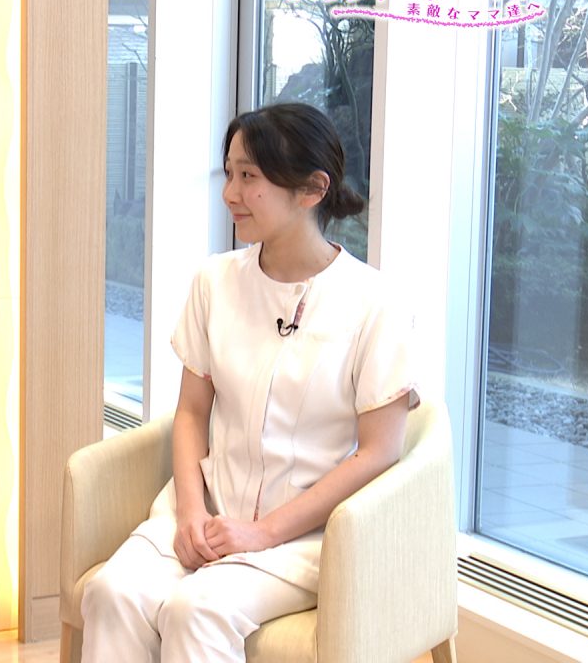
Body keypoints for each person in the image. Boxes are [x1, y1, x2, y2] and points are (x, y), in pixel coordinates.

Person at [81, 103, 418, 662]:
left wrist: (264, 533)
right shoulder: (215, 281)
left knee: (196, 611)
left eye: (249, 176)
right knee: (112, 593)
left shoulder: (374, 302)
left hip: (305, 536)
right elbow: (191, 412)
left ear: (312, 189)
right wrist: (191, 512)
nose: (230, 193)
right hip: (208, 508)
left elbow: (380, 450)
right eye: (229, 173)